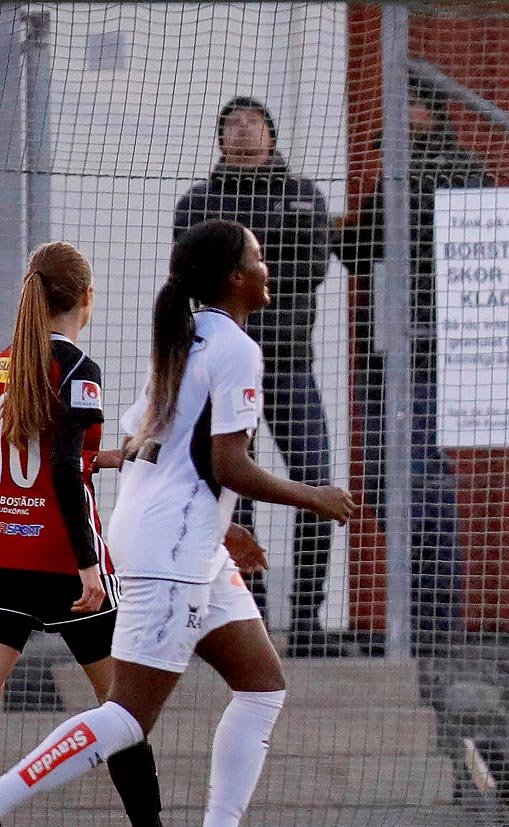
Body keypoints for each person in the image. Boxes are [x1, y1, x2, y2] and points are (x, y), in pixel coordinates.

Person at [0, 220, 356, 827]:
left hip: (183, 538)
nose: (267, 265)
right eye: (257, 255)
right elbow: (228, 462)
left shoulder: (184, 341)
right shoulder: (234, 349)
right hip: (171, 546)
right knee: (126, 716)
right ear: (232, 278)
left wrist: (219, 530)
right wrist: (315, 496)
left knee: (261, 683)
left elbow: (145, 446)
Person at [0, 241, 192, 827]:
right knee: (122, 708)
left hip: (7, 555)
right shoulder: (78, 367)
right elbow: (58, 466)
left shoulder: (4, 365)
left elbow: (40, 456)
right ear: (85, 298)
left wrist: (105, 455)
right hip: (64, 562)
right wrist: (89, 564)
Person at [174, 97, 340, 658]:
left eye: (254, 123)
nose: (244, 130)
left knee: (314, 478)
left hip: (290, 363)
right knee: (227, 489)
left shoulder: (304, 196)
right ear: (221, 139)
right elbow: (190, 275)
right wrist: (269, 252)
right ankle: (252, 611)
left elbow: (312, 267)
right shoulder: (199, 201)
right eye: (233, 124)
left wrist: (242, 265)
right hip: (219, 369)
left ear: (271, 135)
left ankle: (310, 621)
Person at [338, 74, 490, 671]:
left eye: (410, 108)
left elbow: (422, 244)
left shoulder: (460, 173)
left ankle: (434, 624)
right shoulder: (393, 176)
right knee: (383, 478)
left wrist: (361, 228)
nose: (401, 120)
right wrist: (338, 231)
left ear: (430, 112)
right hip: (385, 353)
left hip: (431, 355)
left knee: (422, 481)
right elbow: (365, 252)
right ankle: (416, 614)